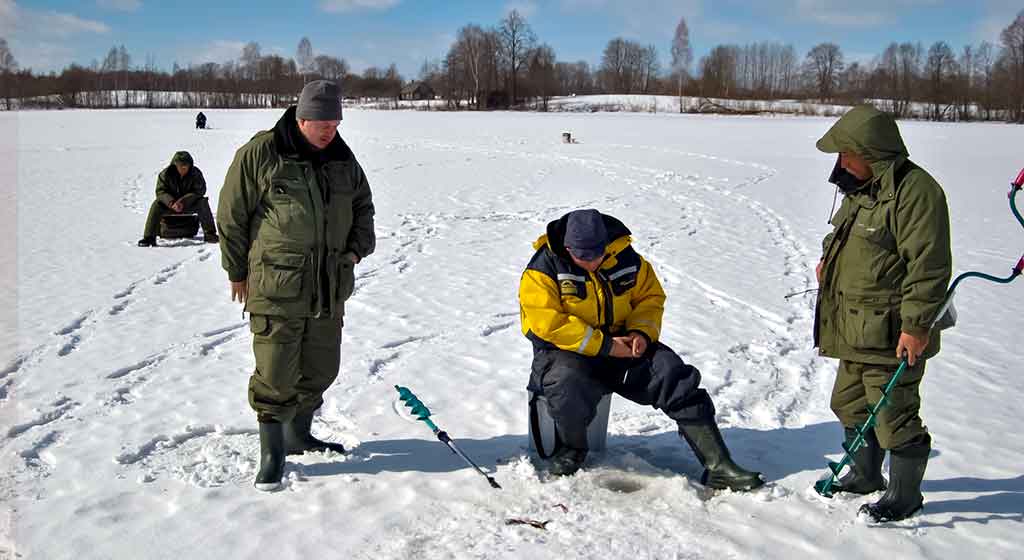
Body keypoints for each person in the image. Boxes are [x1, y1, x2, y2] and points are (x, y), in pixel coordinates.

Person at [519, 209, 764, 491]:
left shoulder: (627, 258)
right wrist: (607, 346)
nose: (591, 262)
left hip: (624, 345)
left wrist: (641, 333)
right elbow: (546, 323)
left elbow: (650, 298)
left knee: (671, 373)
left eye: (597, 254)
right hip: (567, 351)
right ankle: (571, 449)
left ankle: (719, 465)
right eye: (582, 257)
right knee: (564, 381)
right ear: (567, 248)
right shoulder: (543, 268)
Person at [217, 80, 375, 492]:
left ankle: (298, 435)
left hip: (329, 284)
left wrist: (356, 251)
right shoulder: (263, 153)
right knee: (275, 371)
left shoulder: (342, 157)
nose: (329, 130)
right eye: (321, 122)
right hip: (277, 283)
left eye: (335, 122)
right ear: (301, 118)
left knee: (321, 366)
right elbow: (232, 216)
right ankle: (272, 454)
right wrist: (236, 271)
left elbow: (363, 206)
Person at [814, 105, 952, 522]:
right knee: (850, 404)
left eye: (845, 154)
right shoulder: (863, 188)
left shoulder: (917, 194)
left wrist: (916, 326)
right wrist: (827, 262)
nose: (841, 164)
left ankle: (904, 497)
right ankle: (865, 475)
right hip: (854, 327)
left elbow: (928, 267)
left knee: (893, 415)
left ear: (869, 152)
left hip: (891, 333)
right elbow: (844, 238)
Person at [137, 151, 218, 247]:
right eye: (180, 166)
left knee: (202, 202)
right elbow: (161, 192)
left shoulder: (196, 174)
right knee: (156, 205)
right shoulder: (165, 174)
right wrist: (171, 203)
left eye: (185, 166)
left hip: (188, 204)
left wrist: (184, 201)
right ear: (175, 165)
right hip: (170, 205)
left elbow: (200, 191)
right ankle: (149, 237)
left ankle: (210, 234)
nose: (183, 168)